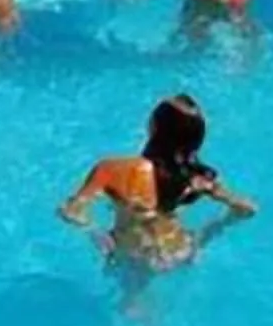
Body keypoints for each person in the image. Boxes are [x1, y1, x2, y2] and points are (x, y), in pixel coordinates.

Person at [57, 94, 256, 272]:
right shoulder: (197, 177)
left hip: (139, 256)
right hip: (181, 249)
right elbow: (247, 209)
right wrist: (218, 222)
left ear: (153, 126)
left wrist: (99, 236)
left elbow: (71, 212)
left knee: (132, 307)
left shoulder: (111, 169)